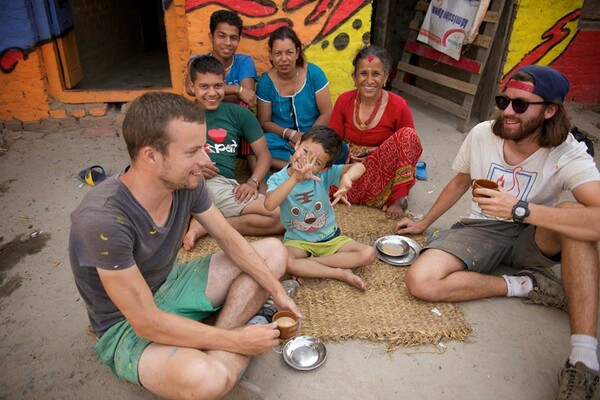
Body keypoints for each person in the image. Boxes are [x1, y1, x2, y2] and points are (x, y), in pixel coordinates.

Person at [69, 91, 300, 399]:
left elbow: (230, 240)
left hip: (172, 283)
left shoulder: (186, 182)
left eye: (203, 148)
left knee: (273, 251)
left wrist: (277, 291)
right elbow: (146, 323)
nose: (205, 162)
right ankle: (235, 338)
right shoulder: (102, 219)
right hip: (126, 325)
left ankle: (224, 338)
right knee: (206, 381)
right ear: (151, 155)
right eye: (193, 152)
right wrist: (237, 343)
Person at [395, 65, 600, 399]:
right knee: (421, 280)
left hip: (533, 232)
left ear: (550, 110)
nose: (506, 111)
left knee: (575, 216)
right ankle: (529, 285)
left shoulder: (568, 152)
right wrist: (423, 222)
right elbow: (461, 180)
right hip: (480, 229)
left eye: (520, 105)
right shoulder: (483, 134)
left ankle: (583, 361)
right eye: (504, 100)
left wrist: (521, 209)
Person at [182, 55, 283, 248]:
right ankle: (203, 220)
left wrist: (253, 182)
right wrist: (191, 170)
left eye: (218, 86)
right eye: (204, 86)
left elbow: (264, 155)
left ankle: (206, 225)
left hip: (220, 185)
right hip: (186, 183)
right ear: (192, 86)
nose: (212, 93)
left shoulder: (239, 114)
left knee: (281, 217)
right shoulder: (181, 115)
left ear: (225, 84)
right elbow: (166, 158)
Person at [264, 125, 376, 290]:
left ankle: (310, 266)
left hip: (331, 238)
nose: (306, 162)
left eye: (317, 162)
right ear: (297, 144)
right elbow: (269, 205)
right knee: (284, 262)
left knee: (368, 253)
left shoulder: (324, 174)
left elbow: (360, 166)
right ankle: (339, 273)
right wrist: (295, 178)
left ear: (325, 168)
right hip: (298, 242)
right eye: (305, 151)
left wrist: (347, 178)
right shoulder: (278, 179)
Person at [328, 46, 423, 220]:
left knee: (408, 135)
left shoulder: (399, 105)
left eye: (376, 74)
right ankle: (360, 196)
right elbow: (331, 141)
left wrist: (398, 193)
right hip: (352, 175)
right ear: (354, 77)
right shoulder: (344, 100)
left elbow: (410, 149)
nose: (369, 80)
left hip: (384, 179)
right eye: (363, 73)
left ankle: (398, 199)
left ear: (386, 77)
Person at [257, 26, 333, 170]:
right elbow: (264, 121)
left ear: (297, 52)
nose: (284, 59)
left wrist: (307, 139)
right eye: (278, 53)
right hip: (282, 140)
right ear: (271, 55)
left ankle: (301, 163)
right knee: (259, 144)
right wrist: (290, 134)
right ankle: (295, 166)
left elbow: (327, 112)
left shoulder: (314, 74)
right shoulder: (266, 82)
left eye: (289, 52)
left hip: (314, 136)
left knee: (334, 148)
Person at [185, 10, 257, 108]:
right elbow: (190, 89)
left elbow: (248, 96)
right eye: (222, 36)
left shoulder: (244, 62)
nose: (228, 42)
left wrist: (206, 93)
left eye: (233, 38)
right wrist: (237, 90)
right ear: (211, 37)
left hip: (236, 118)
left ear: (238, 40)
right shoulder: (198, 62)